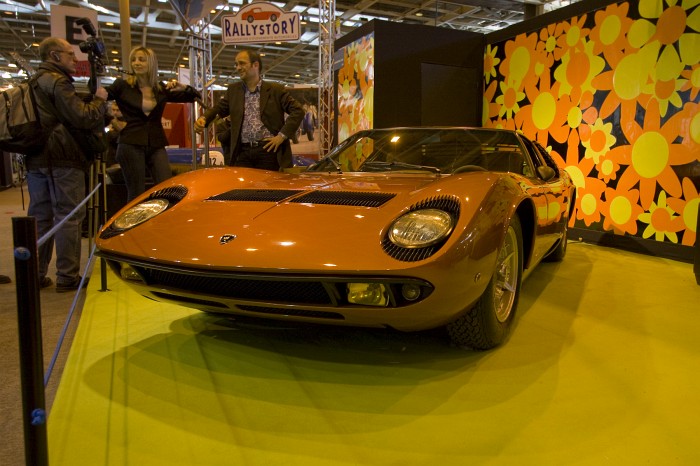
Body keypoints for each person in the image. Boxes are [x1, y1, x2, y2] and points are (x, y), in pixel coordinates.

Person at [25, 37, 109, 292]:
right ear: (54, 55)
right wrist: (99, 99)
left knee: (39, 218)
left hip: (36, 157)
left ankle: (34, 274)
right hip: (62, 158)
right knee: (69, 217)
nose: (76, 59)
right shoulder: (59, 82)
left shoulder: (33, 82)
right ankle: (67, 276)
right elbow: (82, 117)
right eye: (70, 54)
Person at [105, 46, 201, 201]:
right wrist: (112, 120)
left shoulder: (161, 89)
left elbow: (195, 96)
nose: (136, 63)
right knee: (136, 193)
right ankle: (133, 225)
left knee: (167, 189)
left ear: (151, 63)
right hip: (130, 143)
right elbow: (98, 96)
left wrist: (183, 86)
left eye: (141, 59)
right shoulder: (122, 86)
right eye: (134, 60)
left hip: (156, 143)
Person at [194, 50, 304, 171]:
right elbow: (218, 109)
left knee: (267, 188)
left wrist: (281, 136)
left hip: (268, 151)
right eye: (236, 64)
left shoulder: (275, 90)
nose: (238, 68)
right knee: (242, 189)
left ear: (255, 65)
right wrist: (204, 118)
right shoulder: (233, 90)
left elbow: (298, 111)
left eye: (242, 63)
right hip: (241, 152)